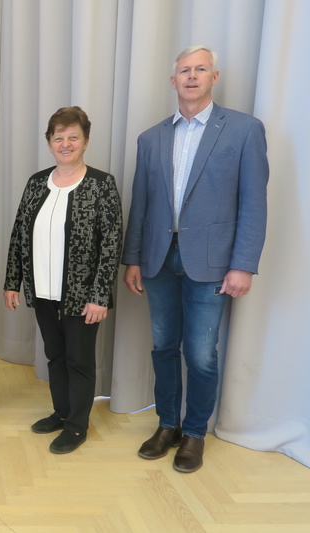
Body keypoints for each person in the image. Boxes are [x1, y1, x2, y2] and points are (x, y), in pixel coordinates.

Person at [122, 46, 268, 473]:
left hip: (213, 263)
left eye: (200, 69)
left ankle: (195, 433)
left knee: (201, 354)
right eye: (184, 70)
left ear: (213, 77)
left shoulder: (244, 130)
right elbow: (141, 203)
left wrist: (243, 264)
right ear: (173, 81)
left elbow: (253, 203)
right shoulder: (151, 138)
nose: (191, 76)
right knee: (163, 346)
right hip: (158, 261)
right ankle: (167, 424)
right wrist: (133, 259)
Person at [3, 107, 123, 454]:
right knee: (54, 355)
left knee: (79, 359)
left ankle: (76, 426)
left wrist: (100, 296)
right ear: (49, 143)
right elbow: (19, 234)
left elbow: (112, 243)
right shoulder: (36, 183)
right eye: (59, 138)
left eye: (73, 137)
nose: (66, 144)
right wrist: (12, 282)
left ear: (85, 141)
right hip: (42, 290)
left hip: (83, 295)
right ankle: (61, 412)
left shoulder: (101, 184)